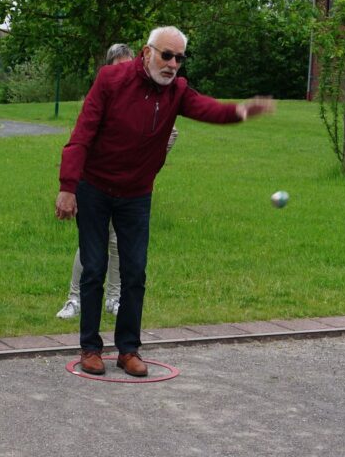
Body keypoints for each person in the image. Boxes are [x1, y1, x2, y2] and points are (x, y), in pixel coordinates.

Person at [55, 26, 274, 377]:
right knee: (93, 269)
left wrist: (243, 111)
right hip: (94, 187)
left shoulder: (177, 91)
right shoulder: (111, 80)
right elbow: (82, 133)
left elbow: (208, 109)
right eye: (167, 55)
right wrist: (68, 187)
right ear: (147, 53)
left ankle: (128, 350)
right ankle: (90, 348)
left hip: (136, 193)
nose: (173, 64)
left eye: (179, 58)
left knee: (135, 271)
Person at [56, 43, 179, 320]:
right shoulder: (102, 97)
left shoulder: (143, 98)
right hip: (96, 187)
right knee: (90, 249)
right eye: (119, 67)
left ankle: (114, 298)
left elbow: (164, 138)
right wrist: (71, 187)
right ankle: (74, 299)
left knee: (117, 245)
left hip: (129, 192)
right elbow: (80, 142)